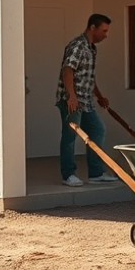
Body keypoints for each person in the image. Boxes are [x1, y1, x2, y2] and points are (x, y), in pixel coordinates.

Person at [55, 13, 119, 187]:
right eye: (103, 31)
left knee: (97, 130)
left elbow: (88, 77)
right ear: (92, 27)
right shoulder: (78, 46)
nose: (106, 35)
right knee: (70, 136)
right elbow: (68, 70)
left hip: (86, 101)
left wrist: (98, 96)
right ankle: (68, 175)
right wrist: (71, 96)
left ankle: (96, 173)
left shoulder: (92, 48)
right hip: (72, 101)